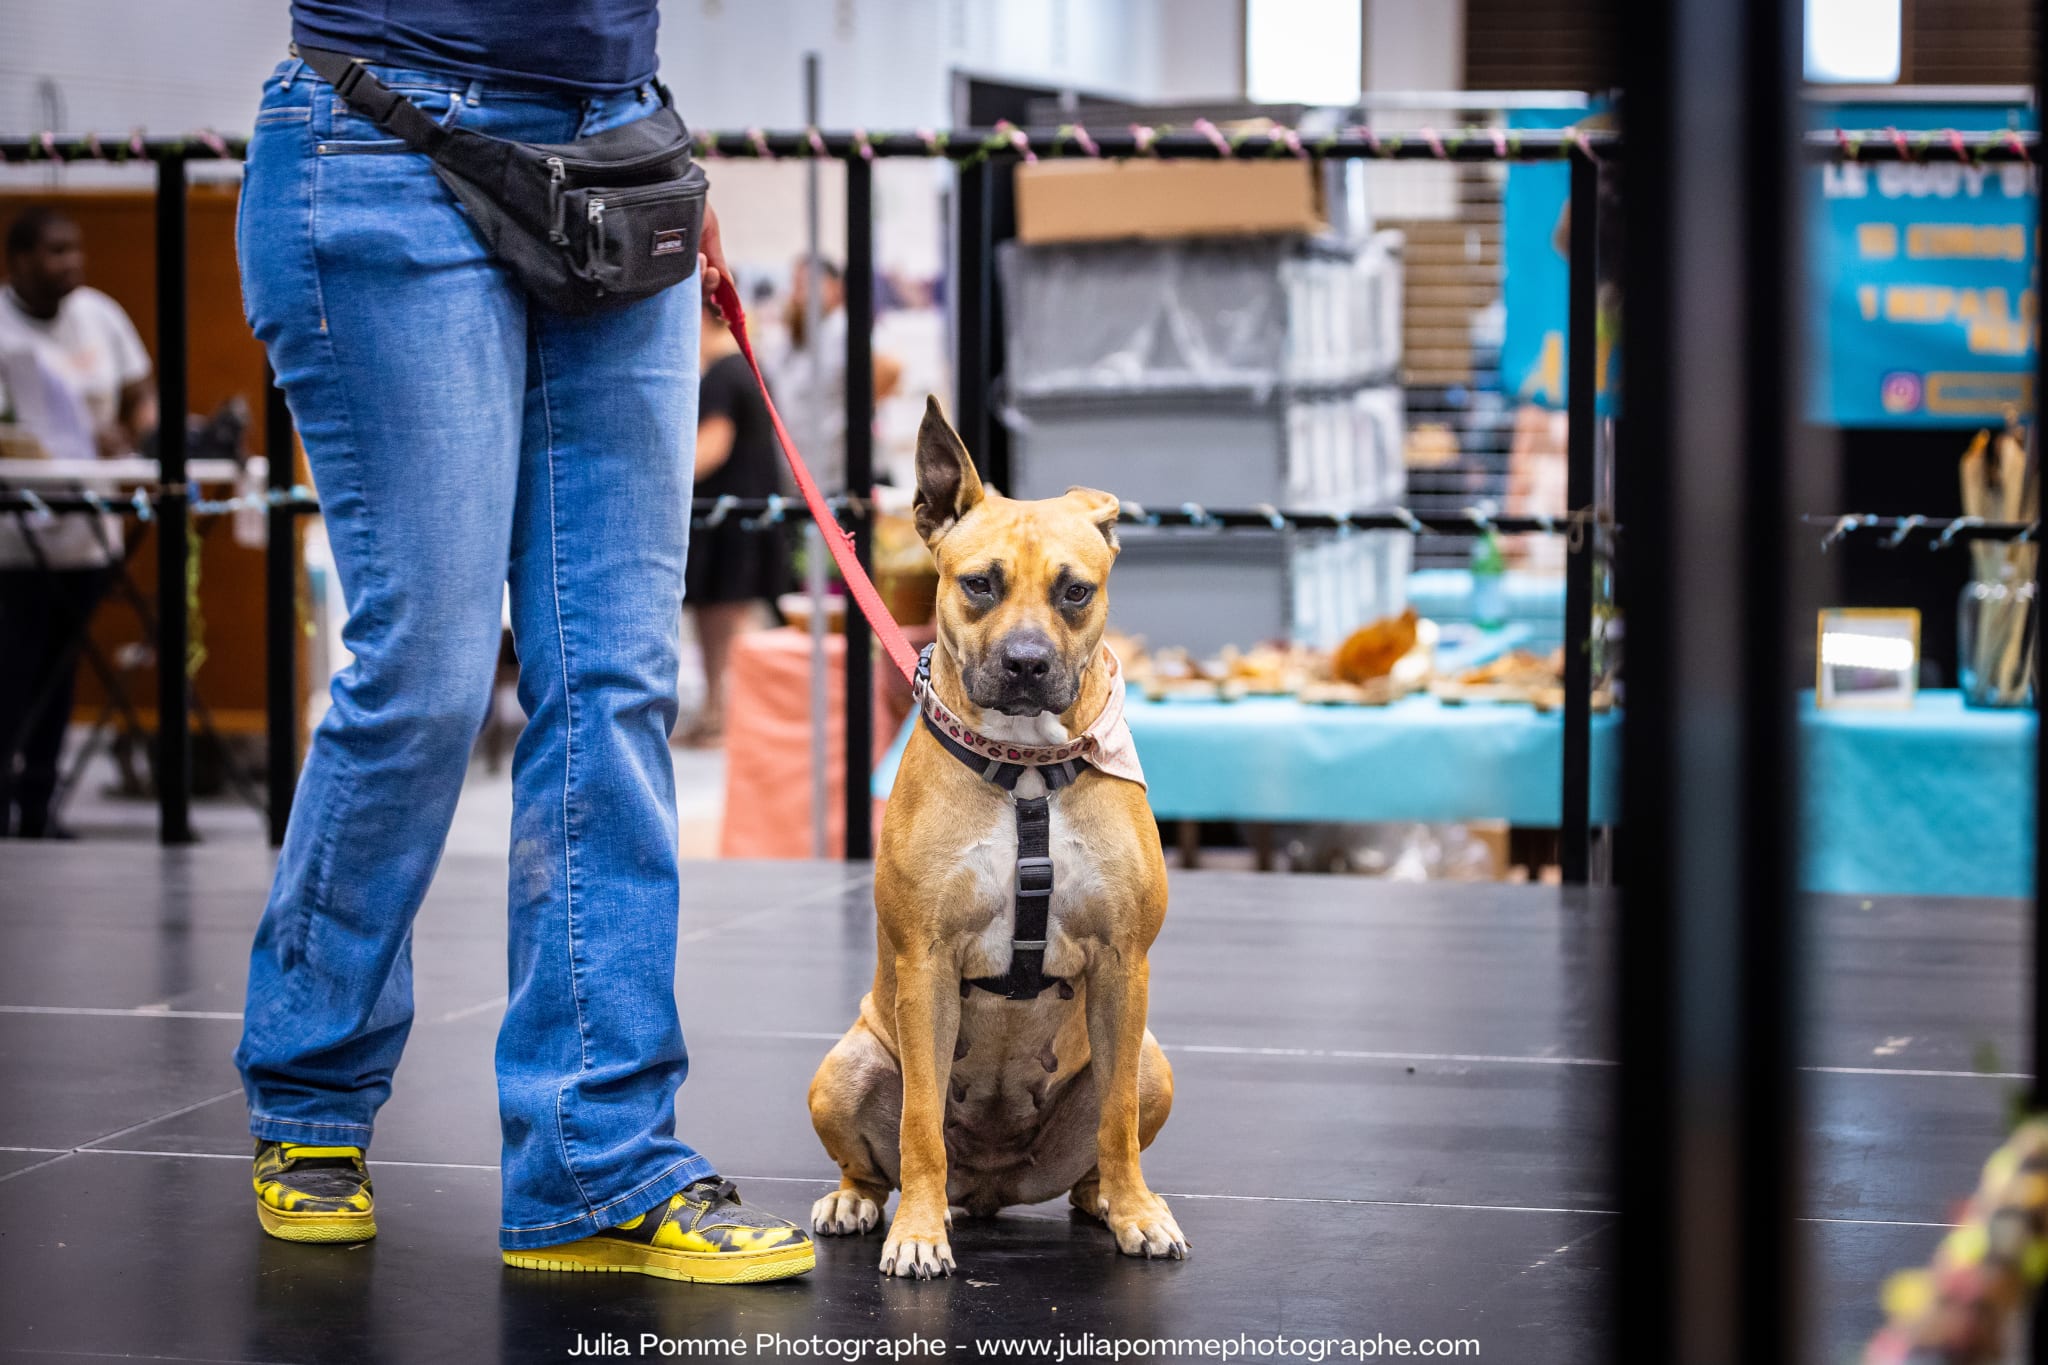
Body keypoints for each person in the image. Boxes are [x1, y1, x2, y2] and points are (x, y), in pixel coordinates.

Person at [232, 3, 814, 1282]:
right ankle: (311, 1096)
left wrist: (658, 141)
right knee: (428, 675)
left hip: (616, 149)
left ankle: (595, 1160)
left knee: (614, 681)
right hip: (383, 140)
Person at [0, 207, 157, 839]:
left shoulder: (98, 313)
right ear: (18, 260)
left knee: (60, 670)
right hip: (16, 536)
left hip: (89, 532)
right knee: (12, 669)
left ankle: (38, 806)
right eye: (56, 251)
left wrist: (139, 431)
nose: (72, 262)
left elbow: (141, 390)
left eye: (76, 249)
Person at [678, 301, 789, 747]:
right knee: (721, 621)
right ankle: (716, 712)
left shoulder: (724, 374)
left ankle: (723, 714)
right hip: (743, 513)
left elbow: (712, 447)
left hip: (729, 519)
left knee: (724, 622)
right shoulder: (748, 366)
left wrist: (654, 482)